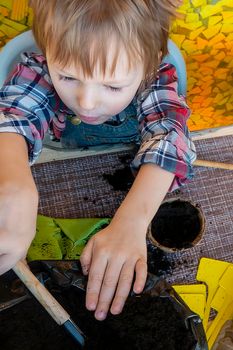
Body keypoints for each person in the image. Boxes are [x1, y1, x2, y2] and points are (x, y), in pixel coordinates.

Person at [0, 0, 196, 321]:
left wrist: (131, 222)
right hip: (63, 158)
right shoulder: (38, 66)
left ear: (148, 65)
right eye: (67, 77)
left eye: (112, 85)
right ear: (47, 50)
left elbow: (171, 140)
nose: (86, 102)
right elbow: (14, 117)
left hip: (127, 159)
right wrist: (13, 182)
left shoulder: (155, 75)